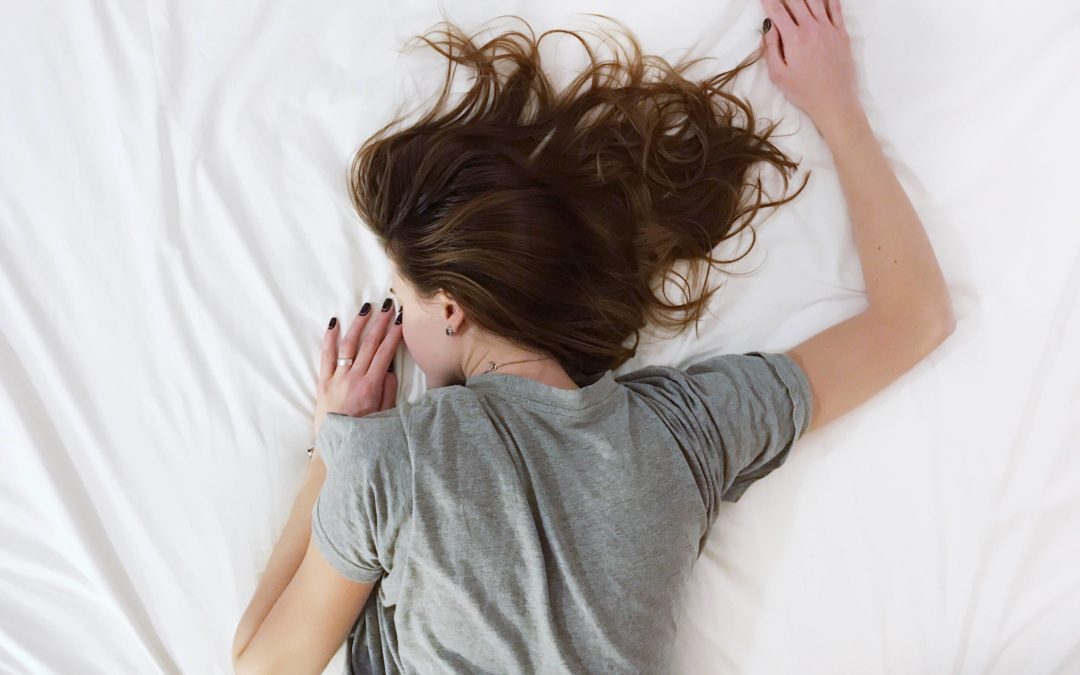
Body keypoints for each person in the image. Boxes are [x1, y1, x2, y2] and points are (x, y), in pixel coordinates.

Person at [233, 1, 955, 673]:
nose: (398, 320)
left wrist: (334, 444)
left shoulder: (388, 459)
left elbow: (257, 664)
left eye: (401, 300)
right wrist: (838, 110)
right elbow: (915, 317)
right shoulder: (684, 432)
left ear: (450, 309)